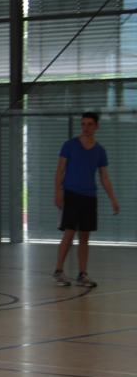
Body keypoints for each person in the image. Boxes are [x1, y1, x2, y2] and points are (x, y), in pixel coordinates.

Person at [53, 112, 120, 287]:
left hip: (89, 197)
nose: (86, 128)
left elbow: (104, 177)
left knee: (84, 236)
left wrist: (113, 199)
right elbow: (60, 170)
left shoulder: (100, 151)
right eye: (83, 124)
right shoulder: (70, 145)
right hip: (71, 194)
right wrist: (58, 192)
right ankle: (59, 271)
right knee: (69, 233)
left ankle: (82, 274)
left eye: (90, 124)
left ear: (96, 126)